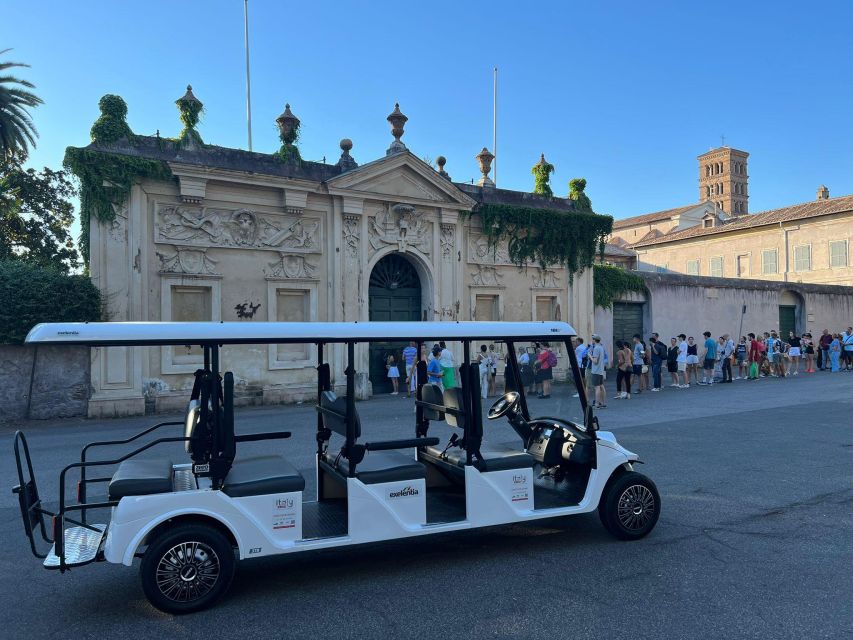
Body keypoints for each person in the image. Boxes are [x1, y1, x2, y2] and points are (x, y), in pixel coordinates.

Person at [589, 334, 606, 408]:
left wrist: (589, 355)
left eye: (592, 339)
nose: (591, 341)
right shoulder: (601, 347)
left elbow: (595, 361)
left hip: (596, 370)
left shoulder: (596, 348)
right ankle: (602, 403)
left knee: (597, 387)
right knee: (601, 386)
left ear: (594, 340)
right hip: (601, 370)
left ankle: (596, 404)